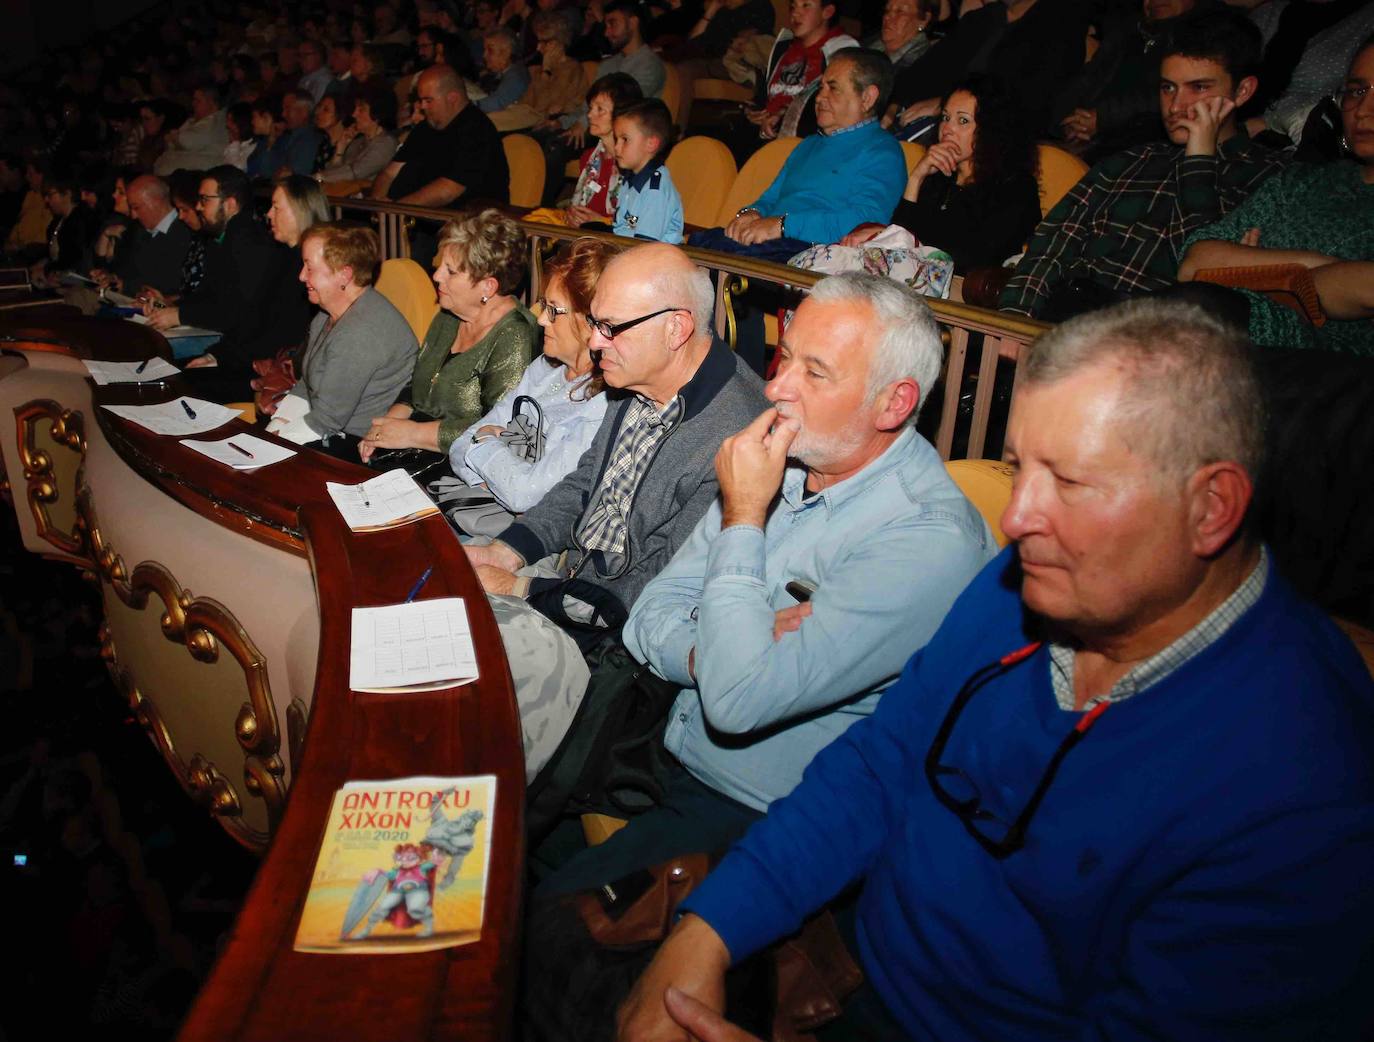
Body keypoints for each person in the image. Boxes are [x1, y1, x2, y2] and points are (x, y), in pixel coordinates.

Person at [616, 298, 1374, 1042]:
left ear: (1211, 508)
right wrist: (708, 931)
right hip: (839, 962)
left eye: (1070, 483)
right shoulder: (1019, 587)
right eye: (1019, 472)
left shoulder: (1304, 776)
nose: (1015, 520)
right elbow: (880, 768)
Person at [526, 272, 997, 910]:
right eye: (784, 356)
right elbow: (650, 614)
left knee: (542, 926)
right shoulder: (790, 462)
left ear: (893, 404)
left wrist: (745, 517)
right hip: (659, 744)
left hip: (764, 813)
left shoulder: (929, 539)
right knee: (498, 847)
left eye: (816, 372)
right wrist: (714, 652)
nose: (775, 387)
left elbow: (738, 701)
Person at [463, 242, 768, 781]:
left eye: (610, 326)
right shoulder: (637, 376)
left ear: (676, 329)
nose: (595, 341)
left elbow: (655, 592)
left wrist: (519, 590)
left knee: (468, 700)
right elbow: (583, 485)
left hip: (618, 643)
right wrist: (506, 551)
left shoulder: (737, 435)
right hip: (568, 586)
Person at [999, 12, 1286, 322]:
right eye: (1168, 88)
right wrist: (1014, 320)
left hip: (1163, 342)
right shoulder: (1130, 161)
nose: (1176, 106)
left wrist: (1199, 161)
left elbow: (1205, 272)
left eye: (1199, 88)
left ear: (1242, 91)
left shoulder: (1269, 180)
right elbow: (1050, 245)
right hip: (1070, 321)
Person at [1177, 34, 1374, 354]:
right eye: (1356, 91)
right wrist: (1320, 266)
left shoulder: (1268, 167)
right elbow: (1196, 262)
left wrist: (1247, 268)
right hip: (1225, 337)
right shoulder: (1303, 180)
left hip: (1328, 375)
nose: (1364, 109)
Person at [448, 238, 616, 513]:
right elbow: (459, 446)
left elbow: (525, 495)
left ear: (590, 321)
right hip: (484, 514)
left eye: (553, 310)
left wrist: (488, 441)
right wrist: (496, 483)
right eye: (543, 305)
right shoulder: (545, 368)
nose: (540, 319)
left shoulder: (604, 403)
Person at [691, 48, 907, 259]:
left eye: (833, 89)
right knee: (691, 248)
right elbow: (771, 199)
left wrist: (784, 226)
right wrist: (751, 214)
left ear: (868, 98)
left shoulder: (883, 152)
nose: (820, 97)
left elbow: (867, 223)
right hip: (771, 245)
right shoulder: (809, 144)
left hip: (811, 257)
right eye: (820, 87)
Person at [359, 210, 537, 463]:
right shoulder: (451, 313)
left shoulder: (515, 337)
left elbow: (501, 430)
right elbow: (417, 387)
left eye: (450, 271)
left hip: (464, 469)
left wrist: (411, 434)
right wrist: (387, 426)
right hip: (413, 454)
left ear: (488, 286)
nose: (436, 275)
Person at [841, 75, 1042, 272]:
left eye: (963, 120)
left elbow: (974, 258)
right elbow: (897, 244)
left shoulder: (1016, 187)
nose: (948, 129)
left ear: (992, 129)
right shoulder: (937, 178)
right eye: (945, 118)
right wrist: (916, 178)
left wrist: (899, 237)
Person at [267, 223, 418, 449]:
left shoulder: (361, 332)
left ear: (344, 275)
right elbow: (307, 385)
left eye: (309, 268)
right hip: (328, 431)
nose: (301, 276)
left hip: (359, 448)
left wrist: (271, 442)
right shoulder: (327, 315)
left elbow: (327, 421)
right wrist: (277, 423)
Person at [887, 0, 1087, 137]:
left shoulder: (1060, 25)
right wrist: (893, 104)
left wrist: (948, 105)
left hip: (992, 143)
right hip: (929, 127)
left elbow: (1030, 102)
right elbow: (922, 72)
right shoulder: (982, 19)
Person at [1053, 0, 1215, 161]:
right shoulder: (1127, 31)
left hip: (1155, 150)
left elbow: (1170, 98)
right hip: (1090, 144)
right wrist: (1070, 122)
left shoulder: (1208, 34)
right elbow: (1086, 80)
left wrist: (1103, 118)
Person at [370, 65, 509, 208]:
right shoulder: (425, 127)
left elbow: (448, 190)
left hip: (460, 221)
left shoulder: (477, 130)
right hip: (406, 216)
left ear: (452, 98)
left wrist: (396, 210)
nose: (422, 106)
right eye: (421, 100)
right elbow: (389, 173)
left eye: (428, 101)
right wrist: (378, 201)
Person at [531, 72, 642, 225]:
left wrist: (602, 222)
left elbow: (638, 221)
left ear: (622, 115)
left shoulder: (639, 168)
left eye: (600, 109)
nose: (590, 115)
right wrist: (572, 215)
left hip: (617, 243)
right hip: (583, 239)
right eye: (590, 108)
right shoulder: (590, 158)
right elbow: (580, 208)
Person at [95, 174, 191, 297]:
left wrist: (125, 286)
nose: (134, 215)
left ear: (155, 202)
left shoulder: (184, 233)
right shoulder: (139, 230)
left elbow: (170, 285)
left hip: (164, 308)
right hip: (136, 302)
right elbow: (125, 269)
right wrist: (112, 279)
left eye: (136, 207)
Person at [489, 12, 587, 132]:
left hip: (543, 123)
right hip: (526, 115)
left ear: (554, 44)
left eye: (542, 42)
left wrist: (545, 71)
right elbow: (526, 100)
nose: (538, 48)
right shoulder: (542, 68)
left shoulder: (571, 69)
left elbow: (543, 107)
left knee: (489, 123)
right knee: (487, 119)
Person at [610, 99, 684, 244]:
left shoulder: (654, 190)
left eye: (625, 139)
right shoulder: (631, 178)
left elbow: (644, 245)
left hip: (651, 261)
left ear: (651, 144)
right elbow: (630, 222)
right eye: (616, 139)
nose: (617, 148)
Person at [318, 86, 400, 184]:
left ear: (377, 113)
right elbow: (333, 173)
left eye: (361, 110)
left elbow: (356, 172)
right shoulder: (358, 142)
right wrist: (340, 148)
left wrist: (319, 176)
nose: (354, 114)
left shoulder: (386, 143)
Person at [154, 86, 230, 175]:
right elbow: (171, 143)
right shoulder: (193, 120)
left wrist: (174, 138)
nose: (193, 104)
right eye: (193, 100)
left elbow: (187, 141)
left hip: (198, 174)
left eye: (198, 101)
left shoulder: (215, 122)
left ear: (211, 103)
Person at [864, 0, 936, 71]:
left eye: (900, 11)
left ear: (924, 20)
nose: (887, 17)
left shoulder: (923, 65)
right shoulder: (869, 43)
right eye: (887, 10)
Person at [475, 28, 532, 117]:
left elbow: (496, 103)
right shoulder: (507, 71)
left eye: (490, 50)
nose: (484, 55)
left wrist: (467, 105)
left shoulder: (516, 76)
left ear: (507, 52)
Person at [297, 39, 335, 104]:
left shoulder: (325, 82)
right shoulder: (305, 78)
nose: (300, 60)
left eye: (305, 55)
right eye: (299, 55)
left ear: (318, 56)